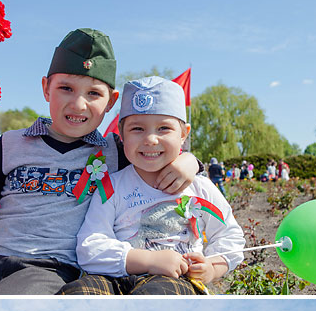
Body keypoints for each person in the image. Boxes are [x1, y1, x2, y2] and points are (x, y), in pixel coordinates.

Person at [0, 30, 200, 297]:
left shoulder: (116, 151)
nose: (78, 105)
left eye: (93, 94)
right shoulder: (11, 143)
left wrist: (190, 161)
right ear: (46, 88)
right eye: (66, 88)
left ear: (112, 101)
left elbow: (156, 154)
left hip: (51, 268)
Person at [73, 76, 244, 295]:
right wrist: (148, 260)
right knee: (80, 293)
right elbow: (89, 246)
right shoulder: (111, 187)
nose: (151, 139)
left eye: (164, 128)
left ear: (184, 134)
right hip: (115, 277)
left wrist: (211, 267)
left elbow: (230, 236)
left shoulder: (200, 189)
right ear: (121, 135)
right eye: (137, 129)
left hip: (174, 281)